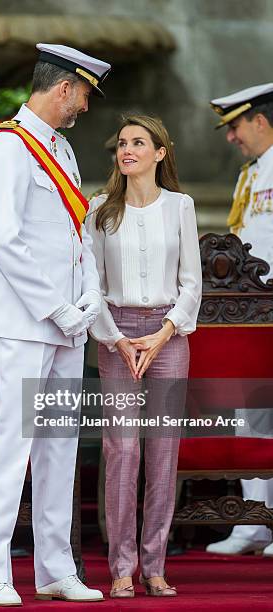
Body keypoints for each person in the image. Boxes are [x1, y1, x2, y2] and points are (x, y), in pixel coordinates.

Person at [0, 43, 111, 606]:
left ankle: (55, 568)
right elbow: (3, 238)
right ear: (63, 88)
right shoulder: (8, 146)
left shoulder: (63, 148)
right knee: (13, 444)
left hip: (65, 324)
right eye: (82, 94)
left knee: (59, 447)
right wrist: (56, 306)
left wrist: (90, 296)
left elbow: (77, 235)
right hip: (22, 322)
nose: (83, 106)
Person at [85, 114, 202, 598]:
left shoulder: (181, 206)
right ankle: (120, 567)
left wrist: (163, 333)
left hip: (169, 336)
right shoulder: (99, 210)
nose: (127, 149)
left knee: (162, 451)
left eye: (139, 142)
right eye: (122, 143)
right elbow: (91, 286)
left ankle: (154, 566)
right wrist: (114, 337)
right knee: (122, 450)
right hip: (116, 335)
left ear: (160, 153)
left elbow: (192, 283)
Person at [206, 83, 273, 557]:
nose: (231, 137)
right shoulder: (251, 173)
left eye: (235, 126)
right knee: (249, 415)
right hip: (251, 310)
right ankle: (254, 523)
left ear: (261, 121)